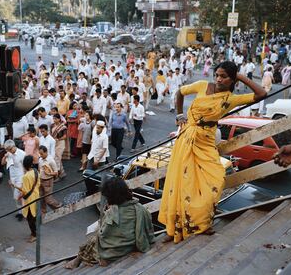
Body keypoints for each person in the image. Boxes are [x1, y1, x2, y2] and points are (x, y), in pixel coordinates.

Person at [159, 61, 267, 244]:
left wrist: (240, 76)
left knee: (215, 179)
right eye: (217, 75)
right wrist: (179, 114)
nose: (218, 79)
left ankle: (201, 222)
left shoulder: (230, 99)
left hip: (207, 142)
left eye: (224, 76)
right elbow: (179, 92)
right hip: (187, 139)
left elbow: (262, 94)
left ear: (232, 79)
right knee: (181, 183)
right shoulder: (202, 85)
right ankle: (173, 228)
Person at [64, 177, 154, 269]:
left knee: (92, 241)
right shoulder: (140, 208)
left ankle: (78, 260)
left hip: (115, 252)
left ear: (110, 196)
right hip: (132, 245)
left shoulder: (112, 214)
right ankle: (78, 260)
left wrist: (106, 212)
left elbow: (103, 235)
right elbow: (148, 228)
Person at [2, 140, 26, 221]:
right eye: (7, 150)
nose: (9, 151)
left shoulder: (22, 154)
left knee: (19, 196)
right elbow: (2, 163)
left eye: (10, 149)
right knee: (15, 196)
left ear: (13, 146)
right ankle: (20, 212)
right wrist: (5, 156)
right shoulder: (9, 154)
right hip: (12, 178)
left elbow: (26, 167)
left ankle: (23, 212)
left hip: (20, 177)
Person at [19, 155, 41, 243]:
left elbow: (25, 191)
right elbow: (38, 184)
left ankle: (34, 234)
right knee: (34, 216)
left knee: (30, 218)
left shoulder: (25, 177)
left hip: (29, 200)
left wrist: (20, 194)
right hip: (36, 195)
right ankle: (35, 232)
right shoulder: (36, 172)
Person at [38, 145, 62, 213]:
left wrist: (49, 174)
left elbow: (56, 172)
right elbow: (39, 169)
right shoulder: (40, 159)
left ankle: (58, 206)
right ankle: (43, 211)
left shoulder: (51, 161)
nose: (41, 155)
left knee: (48, 199)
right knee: (42, 198)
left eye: (42, 154)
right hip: (41, 180)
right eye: (40, 154)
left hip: (48, 181)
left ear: (46, 152)